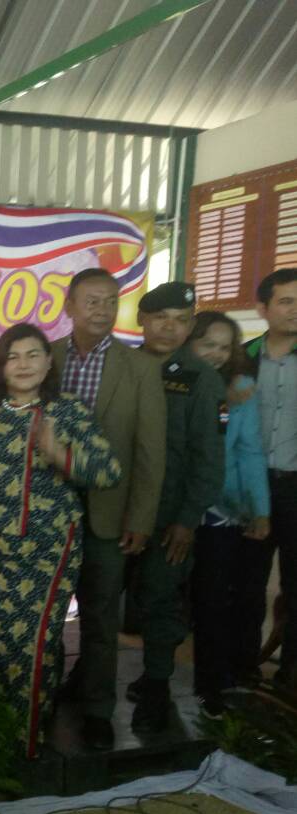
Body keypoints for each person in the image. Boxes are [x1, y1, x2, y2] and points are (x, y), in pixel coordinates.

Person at [0, 324, 121, 759]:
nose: (24, 364)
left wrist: (60, 455)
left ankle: (27, 740)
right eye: (13, 356)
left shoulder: (67, 411)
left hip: (49, 549)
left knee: (34, 643)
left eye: (33, 354)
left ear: (49, 362)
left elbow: (108, 472)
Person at [51, 268, 166, 751]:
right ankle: (42, 696)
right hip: (48, 516)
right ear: (69, 306)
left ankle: (98, 710)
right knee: (44, 614)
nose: (101, 310)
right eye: (91, 301)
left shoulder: (139, 368)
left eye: (110, 301)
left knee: (100, 618)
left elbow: (150, 451)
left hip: (108, 516)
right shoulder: (45, 357)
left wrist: (140, 519)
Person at [126, 282, 224, 733]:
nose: (170, 328)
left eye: (181, 320)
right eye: (161, 317)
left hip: (170, 518)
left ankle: (156, 684)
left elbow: (208, 458)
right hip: (117, 509)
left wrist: (188, 520)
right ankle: (87, 675)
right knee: (101, 598)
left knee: (160, 600)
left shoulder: (202, 378)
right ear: (142, 320)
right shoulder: (122, 365)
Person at [186, 312, 270, 716]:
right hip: (174, 510)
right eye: (208, 344)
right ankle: (153, 682)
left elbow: (250, 452)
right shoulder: (171, 381)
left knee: (215, 600)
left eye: (224, 347)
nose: (216, 354)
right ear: (190, 343)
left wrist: (260, 510)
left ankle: (213, 688)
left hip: (222, 512)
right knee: (168, 601)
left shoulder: (239, 389)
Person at [242, 268, 297, 688]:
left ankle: (290, 673)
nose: (295, 310)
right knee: (247, 583)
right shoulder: (242, 358)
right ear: (262, 308)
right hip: (251, 487)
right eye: (286, 301)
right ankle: (241, 666)